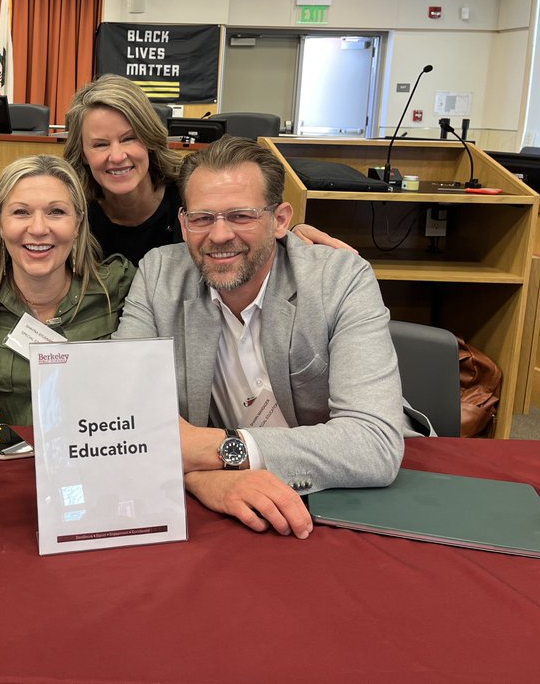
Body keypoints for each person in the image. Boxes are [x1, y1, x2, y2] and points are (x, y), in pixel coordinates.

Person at [114, 135, 408, 539]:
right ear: (184, 224)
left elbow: (372, 444)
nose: (219, 235)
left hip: (339, 496)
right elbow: (121, 419)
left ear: (281, 219)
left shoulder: (340, 279)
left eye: (240, 216)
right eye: (202, 218)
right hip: (232, 508)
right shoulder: (158, 275)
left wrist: (211, 450)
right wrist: (205, 481)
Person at [0, 155, 135, 426]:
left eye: (56, 212)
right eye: (21, 212)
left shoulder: (118, 286)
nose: (38, 229)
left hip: (91, 459)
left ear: (77, 223)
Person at [62, 74, 348, 264]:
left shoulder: (194, 188)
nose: (117, 156)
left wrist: (290, 237)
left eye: (129, 138)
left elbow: (248, 224)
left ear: (149, 139)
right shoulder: (71, 210)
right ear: (83, 154)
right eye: (100, 145)